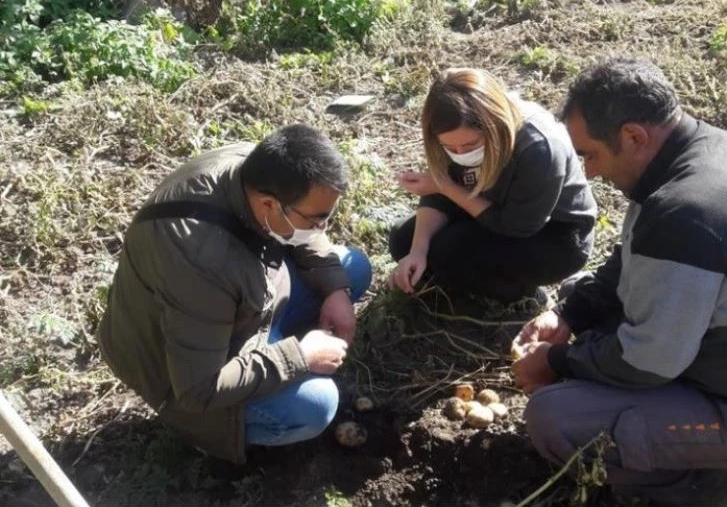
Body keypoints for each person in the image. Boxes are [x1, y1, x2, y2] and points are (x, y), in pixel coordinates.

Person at [512, 58, 727, 506]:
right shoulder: (699, 152)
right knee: (577, 292)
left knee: (556, 419)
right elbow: (635, 258)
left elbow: (649, 363)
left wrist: (557, 362)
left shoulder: (688, 213)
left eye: (591, 155)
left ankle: (697, 487)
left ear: (633, 137)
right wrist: (569, 315)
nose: (589, 172)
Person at [97, 124, 372, 464]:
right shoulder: (199, 262)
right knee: (316, 405)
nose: (321, 228)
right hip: (182, 374)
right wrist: (299, 357)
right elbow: (198, 389)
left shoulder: (256, 169)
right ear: (269, 205)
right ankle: (213, 435)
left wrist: (335, 289)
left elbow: (308, 233)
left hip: (236, 307)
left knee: (353, 269)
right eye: (317, 220)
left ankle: (274, 348)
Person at [387, 68, 597, 304]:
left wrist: (446, 187)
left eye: (470, 145)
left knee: (449, 251)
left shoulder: (539, 147)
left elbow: (517, 226)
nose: (460, 154)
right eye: (450, 148)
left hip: (553, 235)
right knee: (402, 240)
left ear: (493, 126)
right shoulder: (452, 132)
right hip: (490, 204)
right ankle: (460, 275)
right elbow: (439, 193)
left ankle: (522, 294)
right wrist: (417, 251)